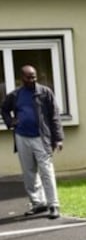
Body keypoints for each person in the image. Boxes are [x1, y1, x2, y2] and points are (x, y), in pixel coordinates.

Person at [1, 65, 64, 218]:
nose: (33, 80)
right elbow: (3, 109)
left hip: (41, 138)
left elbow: (55, 116)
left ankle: (53, 204)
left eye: (34, 76)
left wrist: (58, 138)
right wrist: (11, 122)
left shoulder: (45, 92)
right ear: (22, 78)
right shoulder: (15, 95)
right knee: (29, 173)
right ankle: (38, 203)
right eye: (29, 77)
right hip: (22, 137)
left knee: (46, 171)